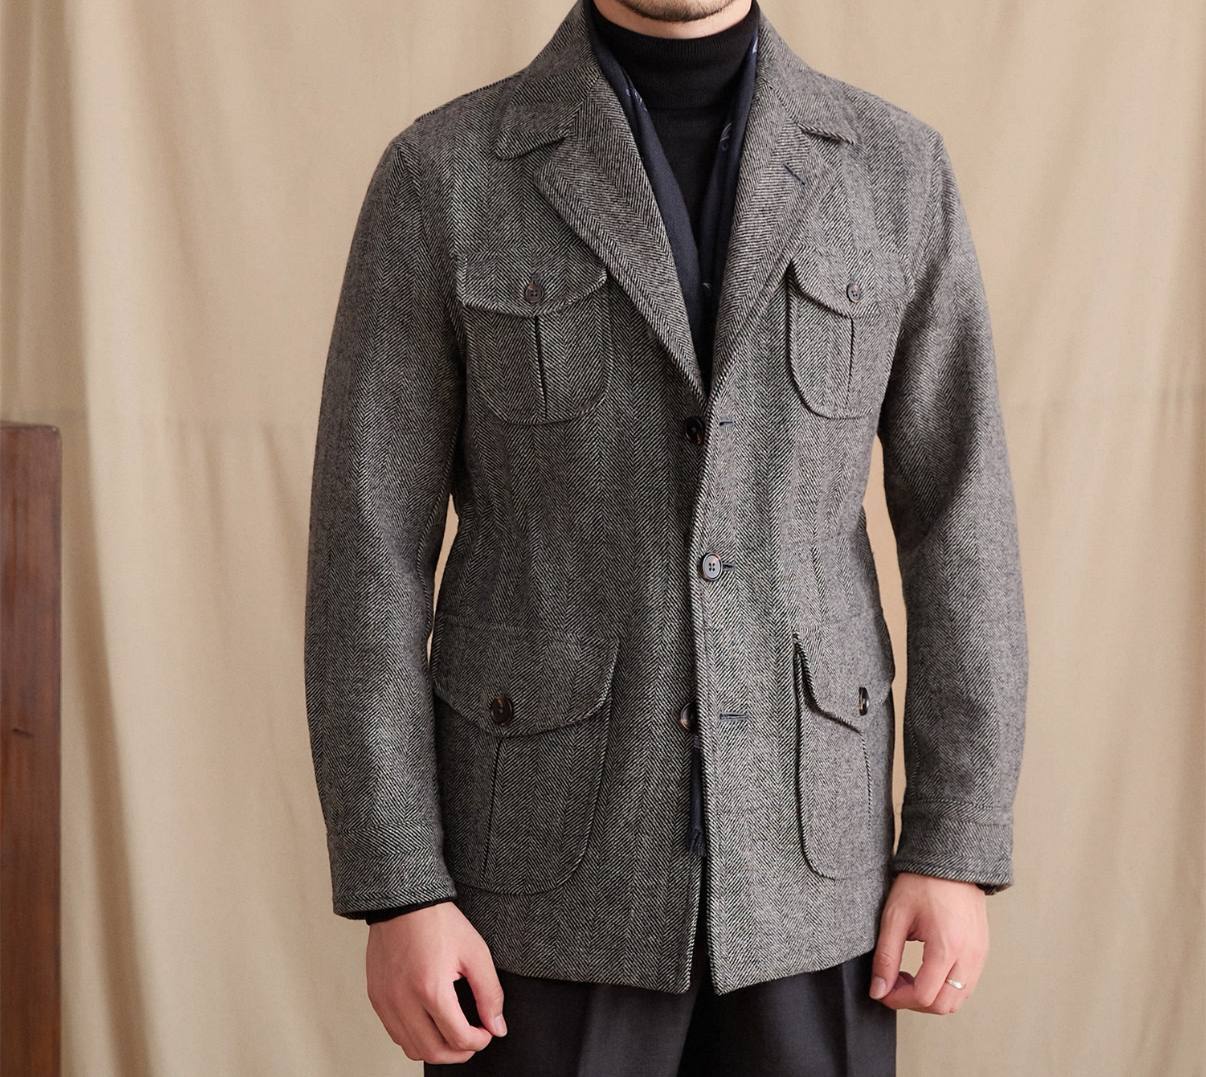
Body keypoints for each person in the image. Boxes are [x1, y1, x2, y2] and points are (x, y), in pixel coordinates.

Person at [303, 0, 1028, 1072]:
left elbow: (962, 520)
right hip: (536, 881)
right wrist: (399, 883)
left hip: (814, 872)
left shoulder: (895, 172)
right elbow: (367, 549)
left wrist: (955, 843)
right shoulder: (443, 173)